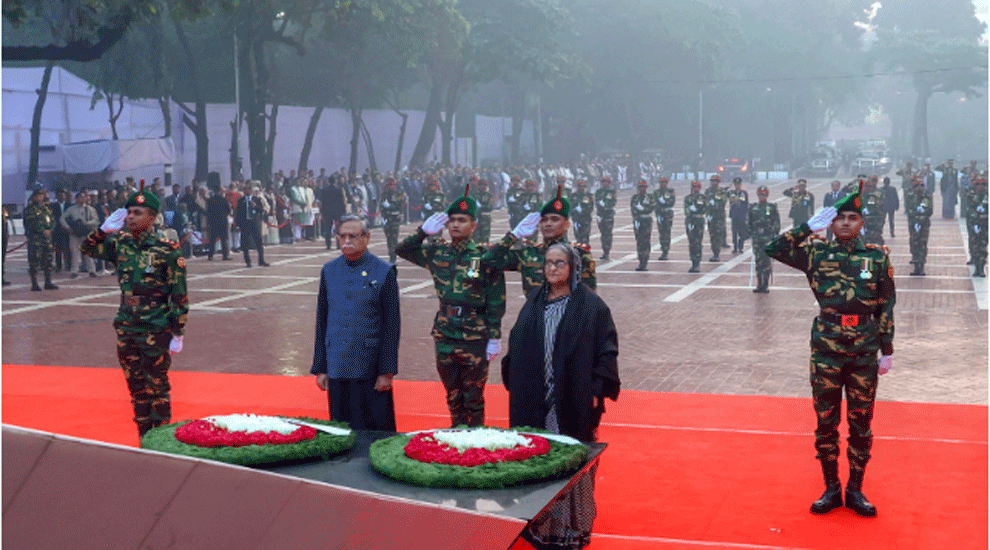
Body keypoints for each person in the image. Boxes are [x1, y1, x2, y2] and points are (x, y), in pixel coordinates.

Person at [766, 184, 895, 518]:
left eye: (853, 217)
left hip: (864, 350)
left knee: (861, 422)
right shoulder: (816, 253)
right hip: (826, 349)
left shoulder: (877, 257)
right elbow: (773, 248)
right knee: (826, 422)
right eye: (840, 218)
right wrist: (807, 227)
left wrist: (888, 349)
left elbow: (886, 305)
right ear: (831, 223)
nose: (847, 223)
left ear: (862, 223)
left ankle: (855, 489)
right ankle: (831, 488)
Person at [501, 242, 620, 550]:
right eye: (548, 263)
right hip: (535, 399)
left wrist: (595, 391)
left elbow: (606, 351)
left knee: (570, 461)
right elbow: (517, 343)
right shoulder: (534, 302)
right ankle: (540, 526)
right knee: (538, 456)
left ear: (573, 268)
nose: (552, 268)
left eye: (559, 263)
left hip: (571, 399)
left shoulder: (590, 306)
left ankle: (569, 530)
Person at [80, 184, 188, 438]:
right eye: (128, 212)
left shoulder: (167, 250)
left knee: (157, 389)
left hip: (156, 327)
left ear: (152, 217)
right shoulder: (120, 244)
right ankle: (143, 439)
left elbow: (179, 296)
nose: (130, 217)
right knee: (136, 388)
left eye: (137, 212)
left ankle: (160, 444)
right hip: (127, 327)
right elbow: (86, 249)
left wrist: (178, 332)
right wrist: (102, 231)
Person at [396, 188, 506, 427]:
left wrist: (494, 336)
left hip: (474, 336)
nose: (455, 225)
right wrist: (423, 232)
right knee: (452, 396)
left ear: (474, 225)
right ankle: (456, 436)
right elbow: (402, 250)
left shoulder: (485, 256)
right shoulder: (437, 251)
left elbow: (496, 300)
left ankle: (475, 442)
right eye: (452, 220)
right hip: (445, 333)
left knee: (474, 397)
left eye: (462, 220)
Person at [311, 215, 399, 431]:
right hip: (338, 361)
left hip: (370, 365)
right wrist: (321, 367)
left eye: (353, 236)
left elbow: (392, 325)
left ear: (367, 238)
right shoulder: (329, 270)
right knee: (341, 428)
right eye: (342, 236)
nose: (347, 241)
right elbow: (322, 319)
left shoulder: (384, 271)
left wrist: (386, 371)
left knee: (374, 429)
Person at [484, 186, 596, 296]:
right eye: (544, 220)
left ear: (566, 224)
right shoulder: (529, 253)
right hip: (535, 314)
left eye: (555, 219)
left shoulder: (579, 255)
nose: (548, 223)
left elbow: (590, 298)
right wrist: (514, 235)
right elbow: (488, 261)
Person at [23, 187, 59, 291]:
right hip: (36, 239)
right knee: (34, 260)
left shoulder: (46, 209)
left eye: (41, 195)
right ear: (33, 197)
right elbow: (31, 222)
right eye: (38, 196)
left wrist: (50, 230)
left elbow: (53, 221)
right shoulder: (30, 209)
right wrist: (42, 230)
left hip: (47, 239)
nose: (40, 197)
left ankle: (48, 282)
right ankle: (34, 283)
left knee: (48, 261)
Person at [60, 190, 100, 278]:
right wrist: (67, 227)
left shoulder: (89, 209)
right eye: (80, 197)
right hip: (75, 233)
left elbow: (96, 220)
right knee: (75, 253)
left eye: (84, 197)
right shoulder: (71, 209)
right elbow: (62, 218)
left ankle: (92, 270)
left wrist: (87, 223)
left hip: (86, 233)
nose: (83, 198)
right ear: (77, 198)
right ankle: (74, 271)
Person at [748, 185, 779, 293]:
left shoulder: (771, 207)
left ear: (767, 195)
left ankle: (765, 284)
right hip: (757, 237)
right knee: (758, 261)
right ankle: (759, 284)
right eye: (760, 194)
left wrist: (775, 234)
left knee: (766, 261)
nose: (761, 196)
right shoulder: (753, 207)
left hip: (767, 237)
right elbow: (749, 222)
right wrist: (750, 234)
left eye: (763, 194)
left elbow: (776, 221)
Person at [905, 176, 933, 276]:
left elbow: (930, 210)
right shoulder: (910, 195)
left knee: (922, 244)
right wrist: (915, 217)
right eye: (917, 185)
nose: (919, 188)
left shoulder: (927, 195)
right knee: (914, 244)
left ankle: (921, 267)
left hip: (924, 225)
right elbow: (908, 209)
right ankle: (916, 266)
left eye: (921, 185)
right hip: (913, 224)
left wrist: (922, 214)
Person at [235, 186, 270, 267]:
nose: (247, 191)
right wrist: (238, 224)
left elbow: (262, 210)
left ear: (251, 190)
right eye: (245, 189)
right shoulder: (241, 200)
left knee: (259, 242)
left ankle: (261, 260)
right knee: (245, 244)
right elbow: (238, 213)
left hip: (255, 223)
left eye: (248, 189)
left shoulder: (256, 199)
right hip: (245, 224)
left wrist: (255, 206)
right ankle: (248, 261)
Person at [379, 177, 407, 263]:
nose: (391, 186)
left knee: (394, 238)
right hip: (387, 218)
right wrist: (383, 217)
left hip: (395, 218)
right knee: (388, 237)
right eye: (389, 184)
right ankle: (391, 255)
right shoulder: (384, 194)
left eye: (393, 184)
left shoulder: (398, 194)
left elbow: (399, 205)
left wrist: (390, 206)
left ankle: (393, 257)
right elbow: (381, 205)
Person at [964, 176, 988, 277]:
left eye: (982, 184)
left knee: (982, 247)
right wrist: (975, 216)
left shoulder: (987, 195)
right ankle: (976, 267)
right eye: (978, 184)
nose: (980, 186)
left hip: (984, 224)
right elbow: (969, 209)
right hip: (974, 223)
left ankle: (981, 269)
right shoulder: (971, 195)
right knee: (974, 245)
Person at [630, 179, 654, 271]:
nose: (642, 189)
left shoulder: (650, 197)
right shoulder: (635, 198)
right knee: (639, 241)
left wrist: (642, 209)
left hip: (646, 220)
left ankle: (645, 261)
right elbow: (633, 209)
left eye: (643, 187)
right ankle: (641, 261)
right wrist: (637, 215)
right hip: (638, 220)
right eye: (640, 187)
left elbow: (651, 208)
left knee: (646, 241)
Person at [205, 178, 232, 261]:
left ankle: (210, 255)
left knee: (212, 240)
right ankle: (225, 255)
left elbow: (208, 211)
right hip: (223, 221)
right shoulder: (223, 199)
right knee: (224, 239)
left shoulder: (210, 200)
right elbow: (228, 210)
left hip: (213, 221)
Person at [684, 180, 706, 273]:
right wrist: (691, 211)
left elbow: (705, 209)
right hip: (690, 220)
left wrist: (696, 209)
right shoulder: (688, 198)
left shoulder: (703, 198)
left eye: (697, 187)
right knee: (691, 242)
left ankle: (697, 263)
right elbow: (686, 210)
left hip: (699, 220)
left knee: (698, 242)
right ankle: (693, 262)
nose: (695, 188)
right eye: (694, 187)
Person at [704, 175, 728, 260]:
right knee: (712, 235)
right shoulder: (708, 191)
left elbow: (723, 201)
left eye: (716, 181)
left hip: (719, 216)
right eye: (713, 181)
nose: (714, 182)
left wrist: (716, 203)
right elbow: (705, 203)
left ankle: (716, 254)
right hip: (711, 216)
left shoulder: (721, 191)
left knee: (717, 235)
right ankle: (714, 251)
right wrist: (708, 214)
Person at [595, 176, 617, 260]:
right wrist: (599, 211)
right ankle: (604, 251)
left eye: (606, 182)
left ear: (609, 183)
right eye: (603, 182)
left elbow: (613, 202)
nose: (605, 183)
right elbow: (596, 201)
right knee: (603, 234)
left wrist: (605, 205)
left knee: (608, 234)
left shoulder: (612, 191)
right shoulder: (599, 191)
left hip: (608, 215)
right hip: (601, 214)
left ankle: (607, 251)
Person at [653, 176, 676, 260]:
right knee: (661, 233)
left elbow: (672, 202)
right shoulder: (656, 192)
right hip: (660, 213)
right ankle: (663, 249)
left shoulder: (670, 191)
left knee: (667, 232)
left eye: (664, 182)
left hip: (667, 214)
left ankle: (665, 251)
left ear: (667, 183)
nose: (662, 184)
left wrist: (664, 202)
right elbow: (654, 203)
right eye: (661, 182)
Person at [860, 177, 885, 245]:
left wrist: (869, 210)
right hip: (861, 221)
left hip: (873, 221)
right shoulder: (860, 194)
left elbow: (875, 206)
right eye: (866, 186)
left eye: (870, 186)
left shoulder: (874, 195)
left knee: (875, 239)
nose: (868, 188)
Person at [727, 177, 749, 254]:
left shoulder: (744, 193)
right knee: (734, 233)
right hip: (734, 215)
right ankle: (735, 248)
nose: (737, 186)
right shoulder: (730, 193)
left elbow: (746, 204)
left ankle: (741, 247)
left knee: (742, 232)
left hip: (742, 215)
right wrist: (728, 186)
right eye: (736, 184)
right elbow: (722, 193)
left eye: (738, 184)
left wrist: (747, 214)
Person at [570, 179, 594, 246]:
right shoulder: (573, 196)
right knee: (578, 238)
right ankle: (579, 255)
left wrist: (582, 210)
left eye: (583, 186)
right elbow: (570, 207)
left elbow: (590, 208)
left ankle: (585, 255)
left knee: (585, 238)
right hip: (576, 219)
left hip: (585, 220)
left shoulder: (589, 196)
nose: (582, 188)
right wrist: (574, 210)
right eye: (580, 186)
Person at [472, 178, 495, 243]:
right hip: (475, 218)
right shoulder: (474, 195)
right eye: (481, 185)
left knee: (485, 237)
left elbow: (490, 207)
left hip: (485, 219)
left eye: (485, 185)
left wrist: (481, 207)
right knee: (475, 237)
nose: (483, 186)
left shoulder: (489, 195)